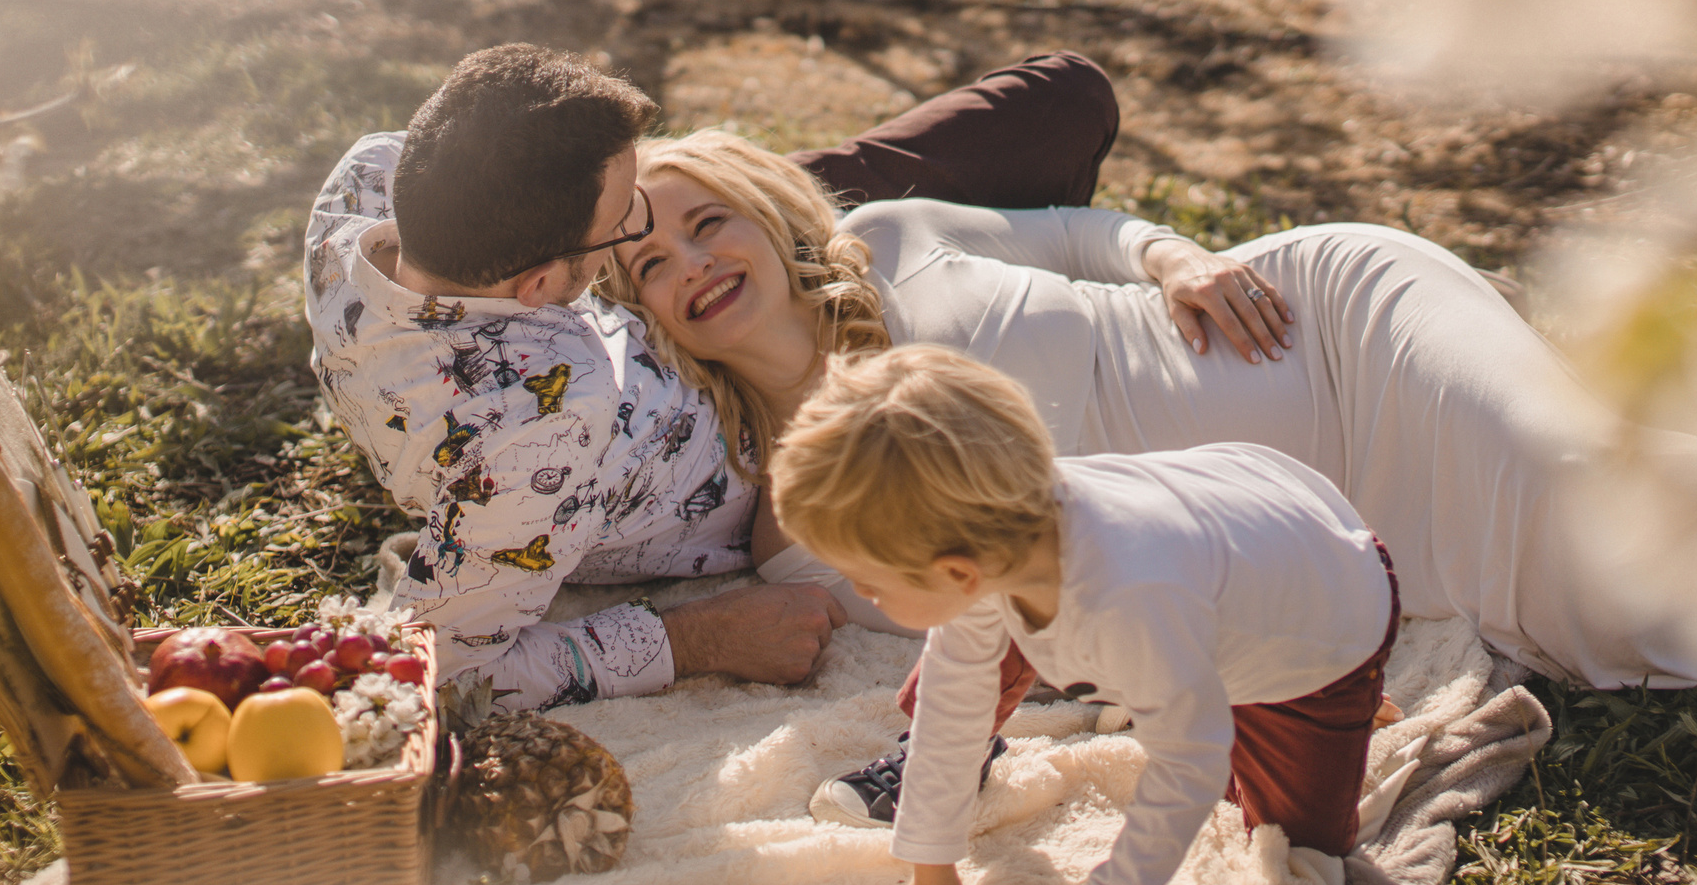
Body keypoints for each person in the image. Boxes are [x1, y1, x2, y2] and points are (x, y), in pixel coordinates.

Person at [603, 128, 1697, 764]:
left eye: (704, 218)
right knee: (1573, 592)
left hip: (1318, 326)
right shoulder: (790, 511)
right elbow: (996, 613)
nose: (692, 261)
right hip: (1315, 517)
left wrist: (1180, 251)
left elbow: (1084, 236)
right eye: (653, 261)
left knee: (1579, 481)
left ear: (757, 211)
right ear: (650, 314)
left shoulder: (890, 237)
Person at [301, 42, 1121, 711]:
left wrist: (690, 210)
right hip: (736, 360)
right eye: (623, 222)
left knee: (1064, 101)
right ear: (541, 288)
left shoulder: (370, 182)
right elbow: (428, 673)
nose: (638, 216)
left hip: (743, 275)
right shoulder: (533, 435)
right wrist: (692, 638)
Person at [769, 346, 1402, 885]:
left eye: (870, 585)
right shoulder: (1004, 526)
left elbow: (1191, 763)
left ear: (959, 573)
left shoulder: (1129, 601)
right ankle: (1182, 676)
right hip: (1238, 530)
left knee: (1298, 850)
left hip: (1327, 623)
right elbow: (954, 699)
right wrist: (931, 871)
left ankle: (1355, 700)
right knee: (962, 665)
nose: (858, 592)